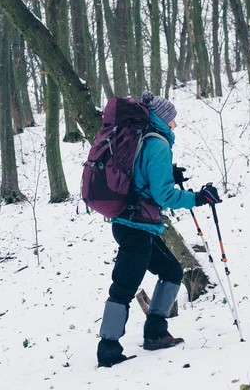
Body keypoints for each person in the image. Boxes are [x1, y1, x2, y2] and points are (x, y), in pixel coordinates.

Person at [97, 91, 222, 368]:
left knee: (172, 272)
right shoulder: (158, 145)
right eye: (173, 119)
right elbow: (164, 196)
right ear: (163, 119)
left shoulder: (142, 139)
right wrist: (198, 197)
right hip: (137, 226)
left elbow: (141, 178)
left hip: (134, 224)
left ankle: (155, 332)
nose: (175, 125)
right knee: (123, 288)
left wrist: (170, 174)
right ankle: (107, 349)